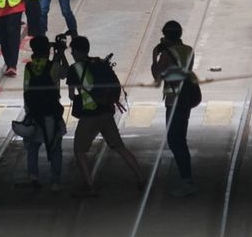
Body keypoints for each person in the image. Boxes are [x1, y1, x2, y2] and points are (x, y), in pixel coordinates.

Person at [66, 35, 141, 196]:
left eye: (72, 51)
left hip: (89, 115)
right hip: (106, 112)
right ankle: (140, 177)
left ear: (77, 51)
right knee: (119, 147)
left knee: (79, 150)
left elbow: (72, 96)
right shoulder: (99, 63)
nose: (71, 54)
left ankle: (90, 185)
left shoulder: (75, 69)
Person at [150, 20, 199, 198]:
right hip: (186, 98)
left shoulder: (166, 54)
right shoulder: (189, 50)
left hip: (173, 99)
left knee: (174, 140)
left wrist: (155, 56)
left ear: (166, 36)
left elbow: (157, 76)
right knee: (180, 139)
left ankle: (187, 180)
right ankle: (187, 178)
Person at [19, 35, 68, 190]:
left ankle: (33, 176)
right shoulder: (53, 66)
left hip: (34, 112)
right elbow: (65, 73)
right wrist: (61, 54)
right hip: (51, 112)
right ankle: (55, 181)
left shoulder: (29, 67)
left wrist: (29, 112)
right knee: (55, 146)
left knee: (33, 146)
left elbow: (26, 90)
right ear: (48, 50)